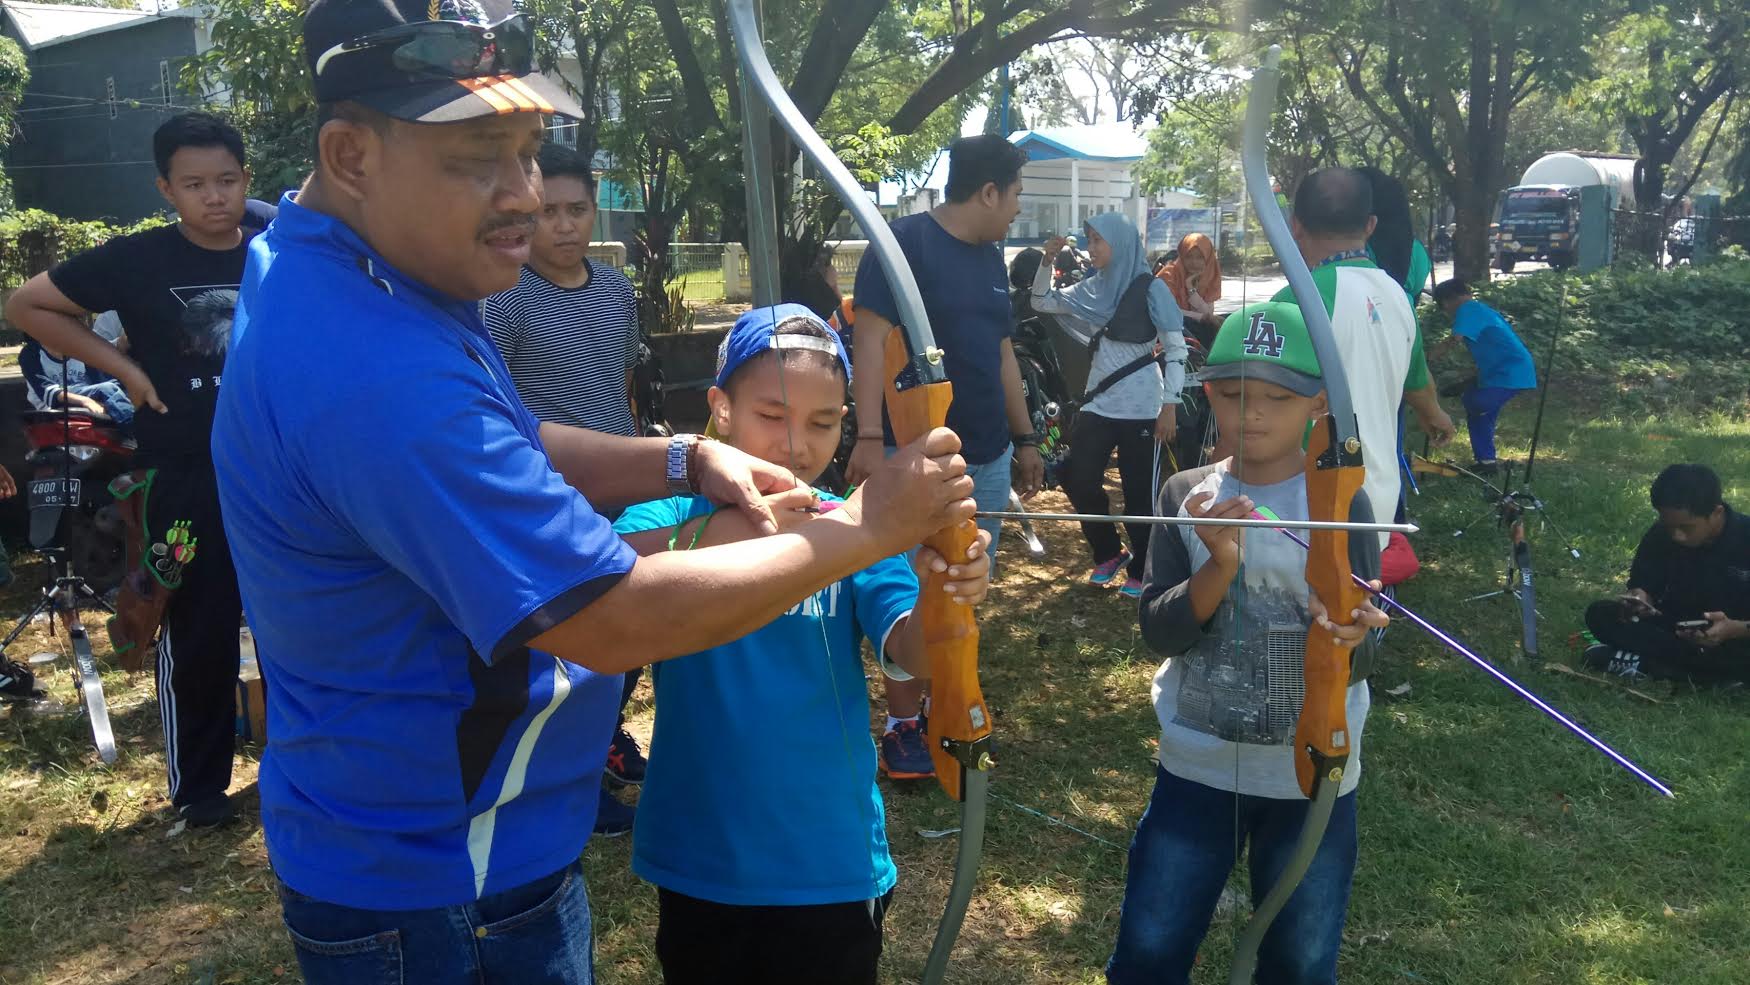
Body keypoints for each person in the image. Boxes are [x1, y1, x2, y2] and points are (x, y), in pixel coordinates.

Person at [211, 3, 976, 982]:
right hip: (444, 886)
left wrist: (683, 460)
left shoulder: (350, 266)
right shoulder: (371, 367)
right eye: (478, 158)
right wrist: (868, 526)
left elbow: (502, 442)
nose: (525, 196)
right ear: (351, 154)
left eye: (531, 152)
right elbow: (611, 619)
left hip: (444, 855)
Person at [612, 305, 991, 985]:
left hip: (828, 861)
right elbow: (606, 583)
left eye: (823, 422)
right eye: (773, 414)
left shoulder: (854, 526)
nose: (797, 444)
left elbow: (911, 653)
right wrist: (738, 533)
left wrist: (945, 592)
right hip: (700, 853)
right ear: (721, 409)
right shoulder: (669, 515)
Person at [1108, 300, 1388, 985]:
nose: (1253, 413)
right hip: (1197, 766)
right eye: (1234, 395)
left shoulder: (1342, 500)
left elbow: (1364, 650)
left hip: (1315, 769)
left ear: (1318, 403)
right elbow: (1158, 630)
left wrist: (1353, 632)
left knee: (1300, 957)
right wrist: (1219, 566)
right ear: (1209, 395)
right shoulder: (1186, 495)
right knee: (1152, 945)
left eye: (1277, 398)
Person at [5, 110, 257, 828]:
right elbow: (27, 305)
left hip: (278, 469)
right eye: (194, 184)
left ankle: (302, 765)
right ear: (165, 189)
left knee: (295, 618)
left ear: (246, 179)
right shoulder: (137, 258)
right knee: (198, 623)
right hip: (185, 471)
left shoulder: (280, 247)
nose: (214, 197)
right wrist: (124, 370)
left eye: (227, 180)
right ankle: (200, 791)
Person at [848, 133, 1043, 780]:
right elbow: (869, 341)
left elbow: (1002, 353)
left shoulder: (991, 258)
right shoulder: (901, 245)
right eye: (1015, 194)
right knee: (913, 585)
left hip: (985, 454)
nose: (1018, 208)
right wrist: (869, 438)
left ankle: (943, 706)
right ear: (988, 192)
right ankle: (903, 723)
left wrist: (1024, 438)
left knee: (962, 584)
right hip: (915, 452)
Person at [482, 141, 645, 835]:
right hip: (551, 496)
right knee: (567, 648)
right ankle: (571, 772)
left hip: (627, 485)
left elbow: (623, 381)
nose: (564, 225)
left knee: (631, 630)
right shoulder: (505, 296)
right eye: (548, 211)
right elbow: (495, 403)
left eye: (577, 209)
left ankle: (604, 737)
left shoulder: (615, 291)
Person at [1267, 168, 1421, 551]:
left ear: (1295, 225)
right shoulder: (1399, 296)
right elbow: (1419, 384)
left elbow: (1262, 407)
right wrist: (1437, 418)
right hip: (1378, 502)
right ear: (1370, 225)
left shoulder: (1294, 300)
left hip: (1309, 501)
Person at [1033, 213, 1186, 600]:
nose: (1091, 248)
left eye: (1098, 240)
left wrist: (1170, 405)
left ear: (1120, 243)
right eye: (1088, 240)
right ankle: (1108, 552)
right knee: (1079, 477)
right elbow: (1040, 300)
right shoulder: (1093, 287)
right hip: (1099, 402)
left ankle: (1142, 568)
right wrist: (1046, 262)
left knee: (1139, 495)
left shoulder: (1152, 289)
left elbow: (1176, 350)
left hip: (1143, 408)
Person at [1583, 464, 1750, 685]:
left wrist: (1735, 629)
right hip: (1678, 628)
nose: (1677, 536)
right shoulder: (1661, 534)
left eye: (1686, 528)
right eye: (1669, 526)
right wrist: (1640, 599)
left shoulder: (1745, 537)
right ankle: (1699, 673)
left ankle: (1653, 666)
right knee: (1601, 614)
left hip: (1735, 636)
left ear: (1716, 513)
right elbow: (1643, 585)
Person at [1428, 279, 1537, 473]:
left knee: (1476, 403)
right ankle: (1486, 462)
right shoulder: (1479, 309)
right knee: (1480, 412)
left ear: (1446, 301)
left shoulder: (1467, 309)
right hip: (1500, 372)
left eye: (1442, 307)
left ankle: (1485, 459)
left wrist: (1427, 358)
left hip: (1510, 371)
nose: (1446, 312)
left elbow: (1455, 339)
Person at [18, 313, 135, 426]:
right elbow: (47, 392)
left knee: (119, 386)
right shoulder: (31, 355)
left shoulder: (79, 347)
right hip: (55, 409)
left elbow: (108, 351)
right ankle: (134, 429)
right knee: (108, 388)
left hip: (89, 397)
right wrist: (85, 401)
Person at [1155, 232, 1221, 349]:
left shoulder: (1210, 274)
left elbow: (1208, 313)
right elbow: (1166, 311)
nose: (1194, 262)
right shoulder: (1168, 274)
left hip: (1193, 330)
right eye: (1189, 257)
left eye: (1200, 257)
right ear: (1182, 256)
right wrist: (1199, 317)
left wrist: (1190, 288)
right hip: (1168, 332)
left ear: (1208, 257)